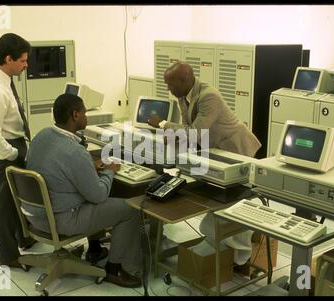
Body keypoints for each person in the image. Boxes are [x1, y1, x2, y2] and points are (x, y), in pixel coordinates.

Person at [148, 62, 262, 267]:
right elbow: (186, 128)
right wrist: (172, 138)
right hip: (216, 150)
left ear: (183, 81)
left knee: (236, 201)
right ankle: (223, 245)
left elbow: (194, 132)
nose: (168, 89)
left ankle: (241, 256)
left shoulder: (209, 96)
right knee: (219, 199)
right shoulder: (183, 96)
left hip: (237, 150)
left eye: (170, 84)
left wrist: (163, 124)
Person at [23, 93, 142, 288]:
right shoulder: (74, 152)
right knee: (129, 208)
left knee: (89, 195)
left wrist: (88, 168)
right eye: (85, 112)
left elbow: (54, 169)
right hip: (61, 220)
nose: (87, 116)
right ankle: (117, 268)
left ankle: (95, 250)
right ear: (75, 115)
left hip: (35, 216)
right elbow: (98, 195)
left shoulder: (41, 136)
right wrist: (109, 172)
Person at [0, 33, 36, 269]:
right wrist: (14, 154)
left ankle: (22, 238)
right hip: (5, 150)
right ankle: (8, 256)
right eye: (22, 61)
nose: (26, 65)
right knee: (3, 205)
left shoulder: (2, 77)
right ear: (8, 58)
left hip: (11, 144)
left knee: (13, 199)